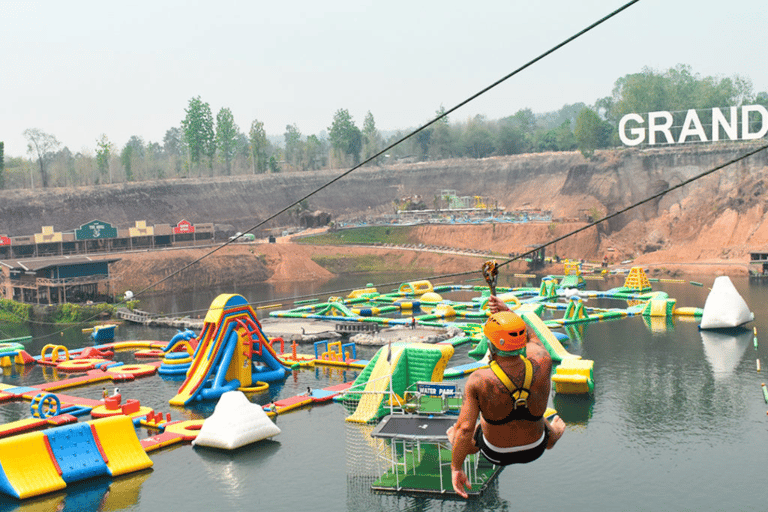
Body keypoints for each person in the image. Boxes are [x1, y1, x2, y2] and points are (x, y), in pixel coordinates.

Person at [447, 295, 565, 498]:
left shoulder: (480, 380)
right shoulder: (543, 361)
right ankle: (553, 435)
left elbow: (465, 429)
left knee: (461, 430)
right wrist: (509, 312)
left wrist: (456, 468)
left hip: (496, 452)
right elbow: (534, 338)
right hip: (536, 447)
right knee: (534, 411)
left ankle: (463, 443)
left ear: (490, 345)